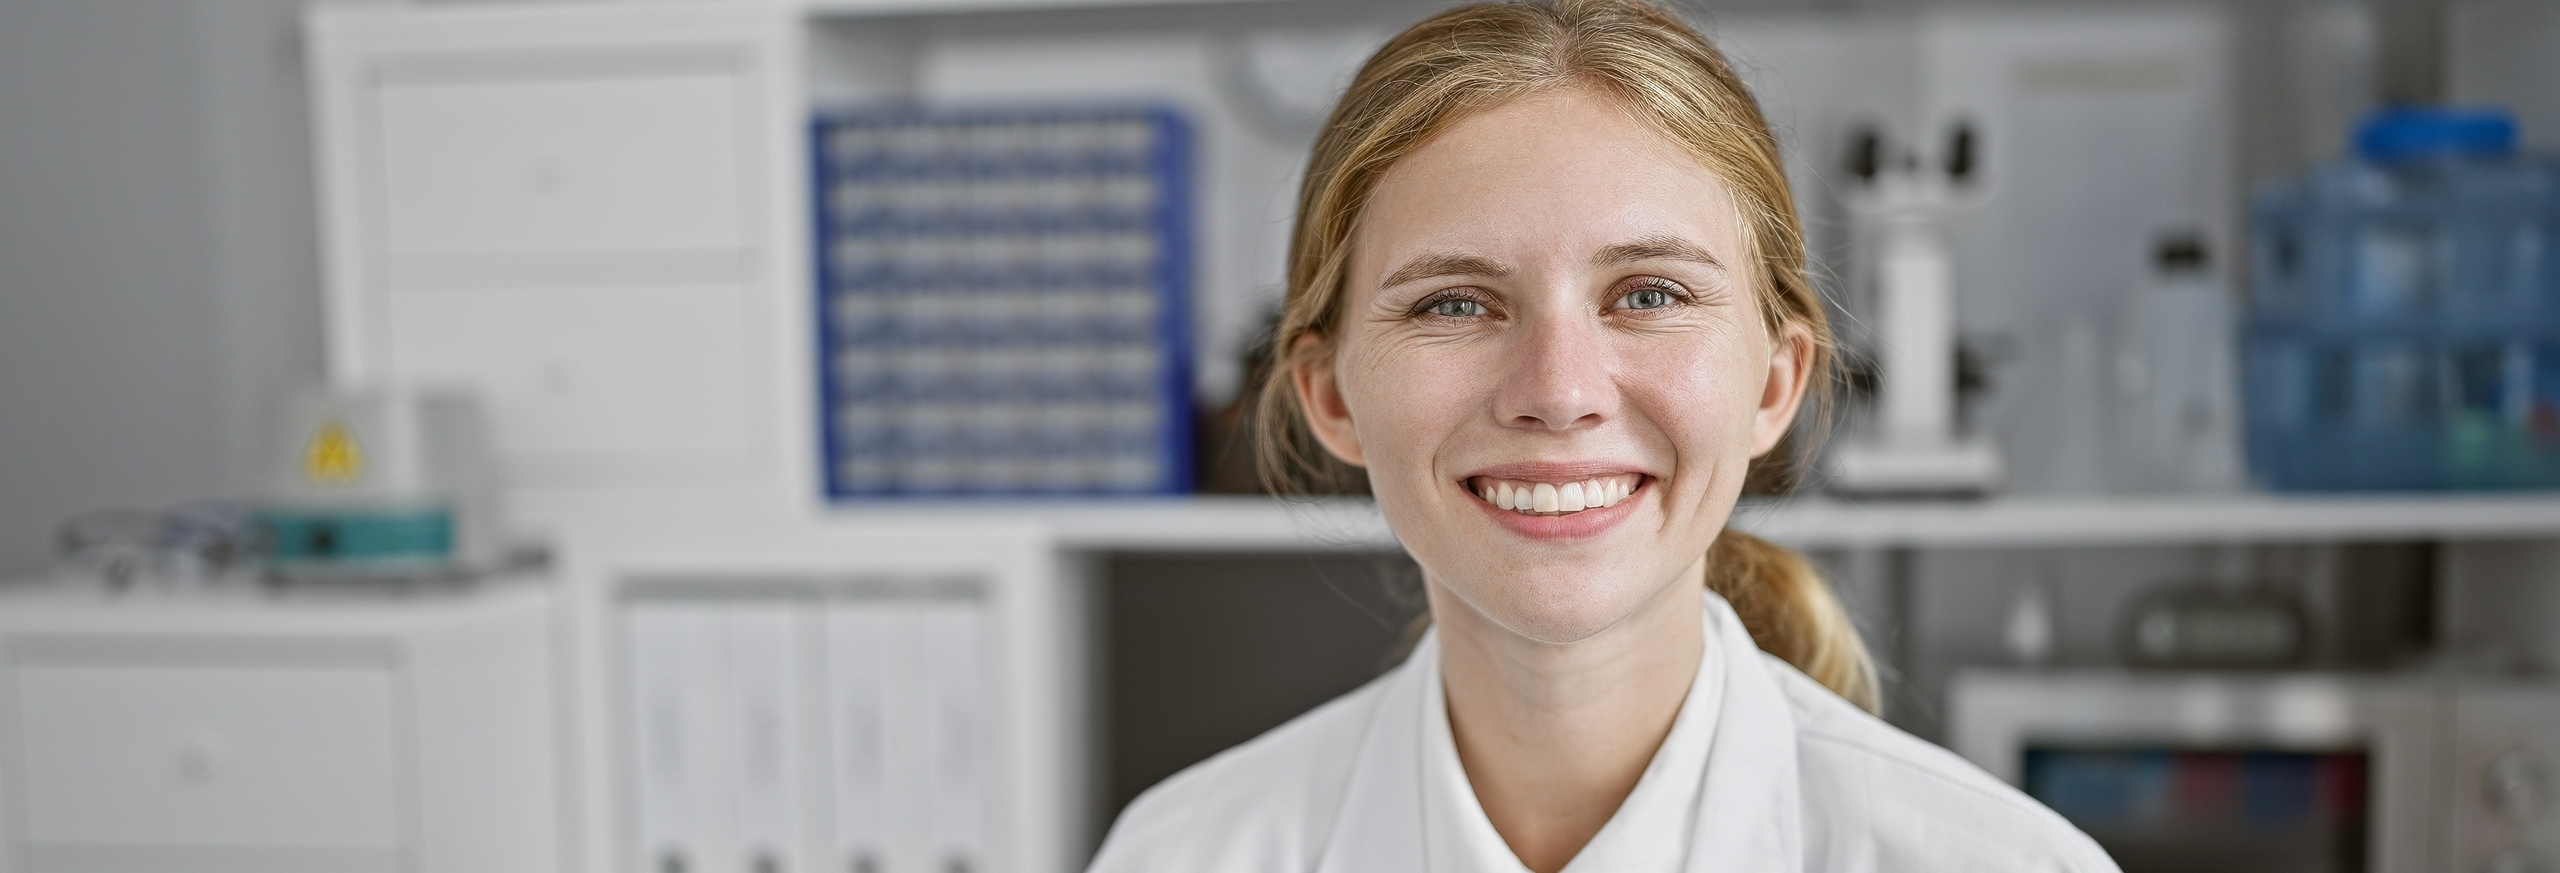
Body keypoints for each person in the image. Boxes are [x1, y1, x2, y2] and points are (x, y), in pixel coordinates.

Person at [1088, 1, 2118, 870]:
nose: (1559, 391)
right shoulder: (1184, 853)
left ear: (1774, 382)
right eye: (1454, 304)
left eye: (1649, 293)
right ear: (1330, 398)